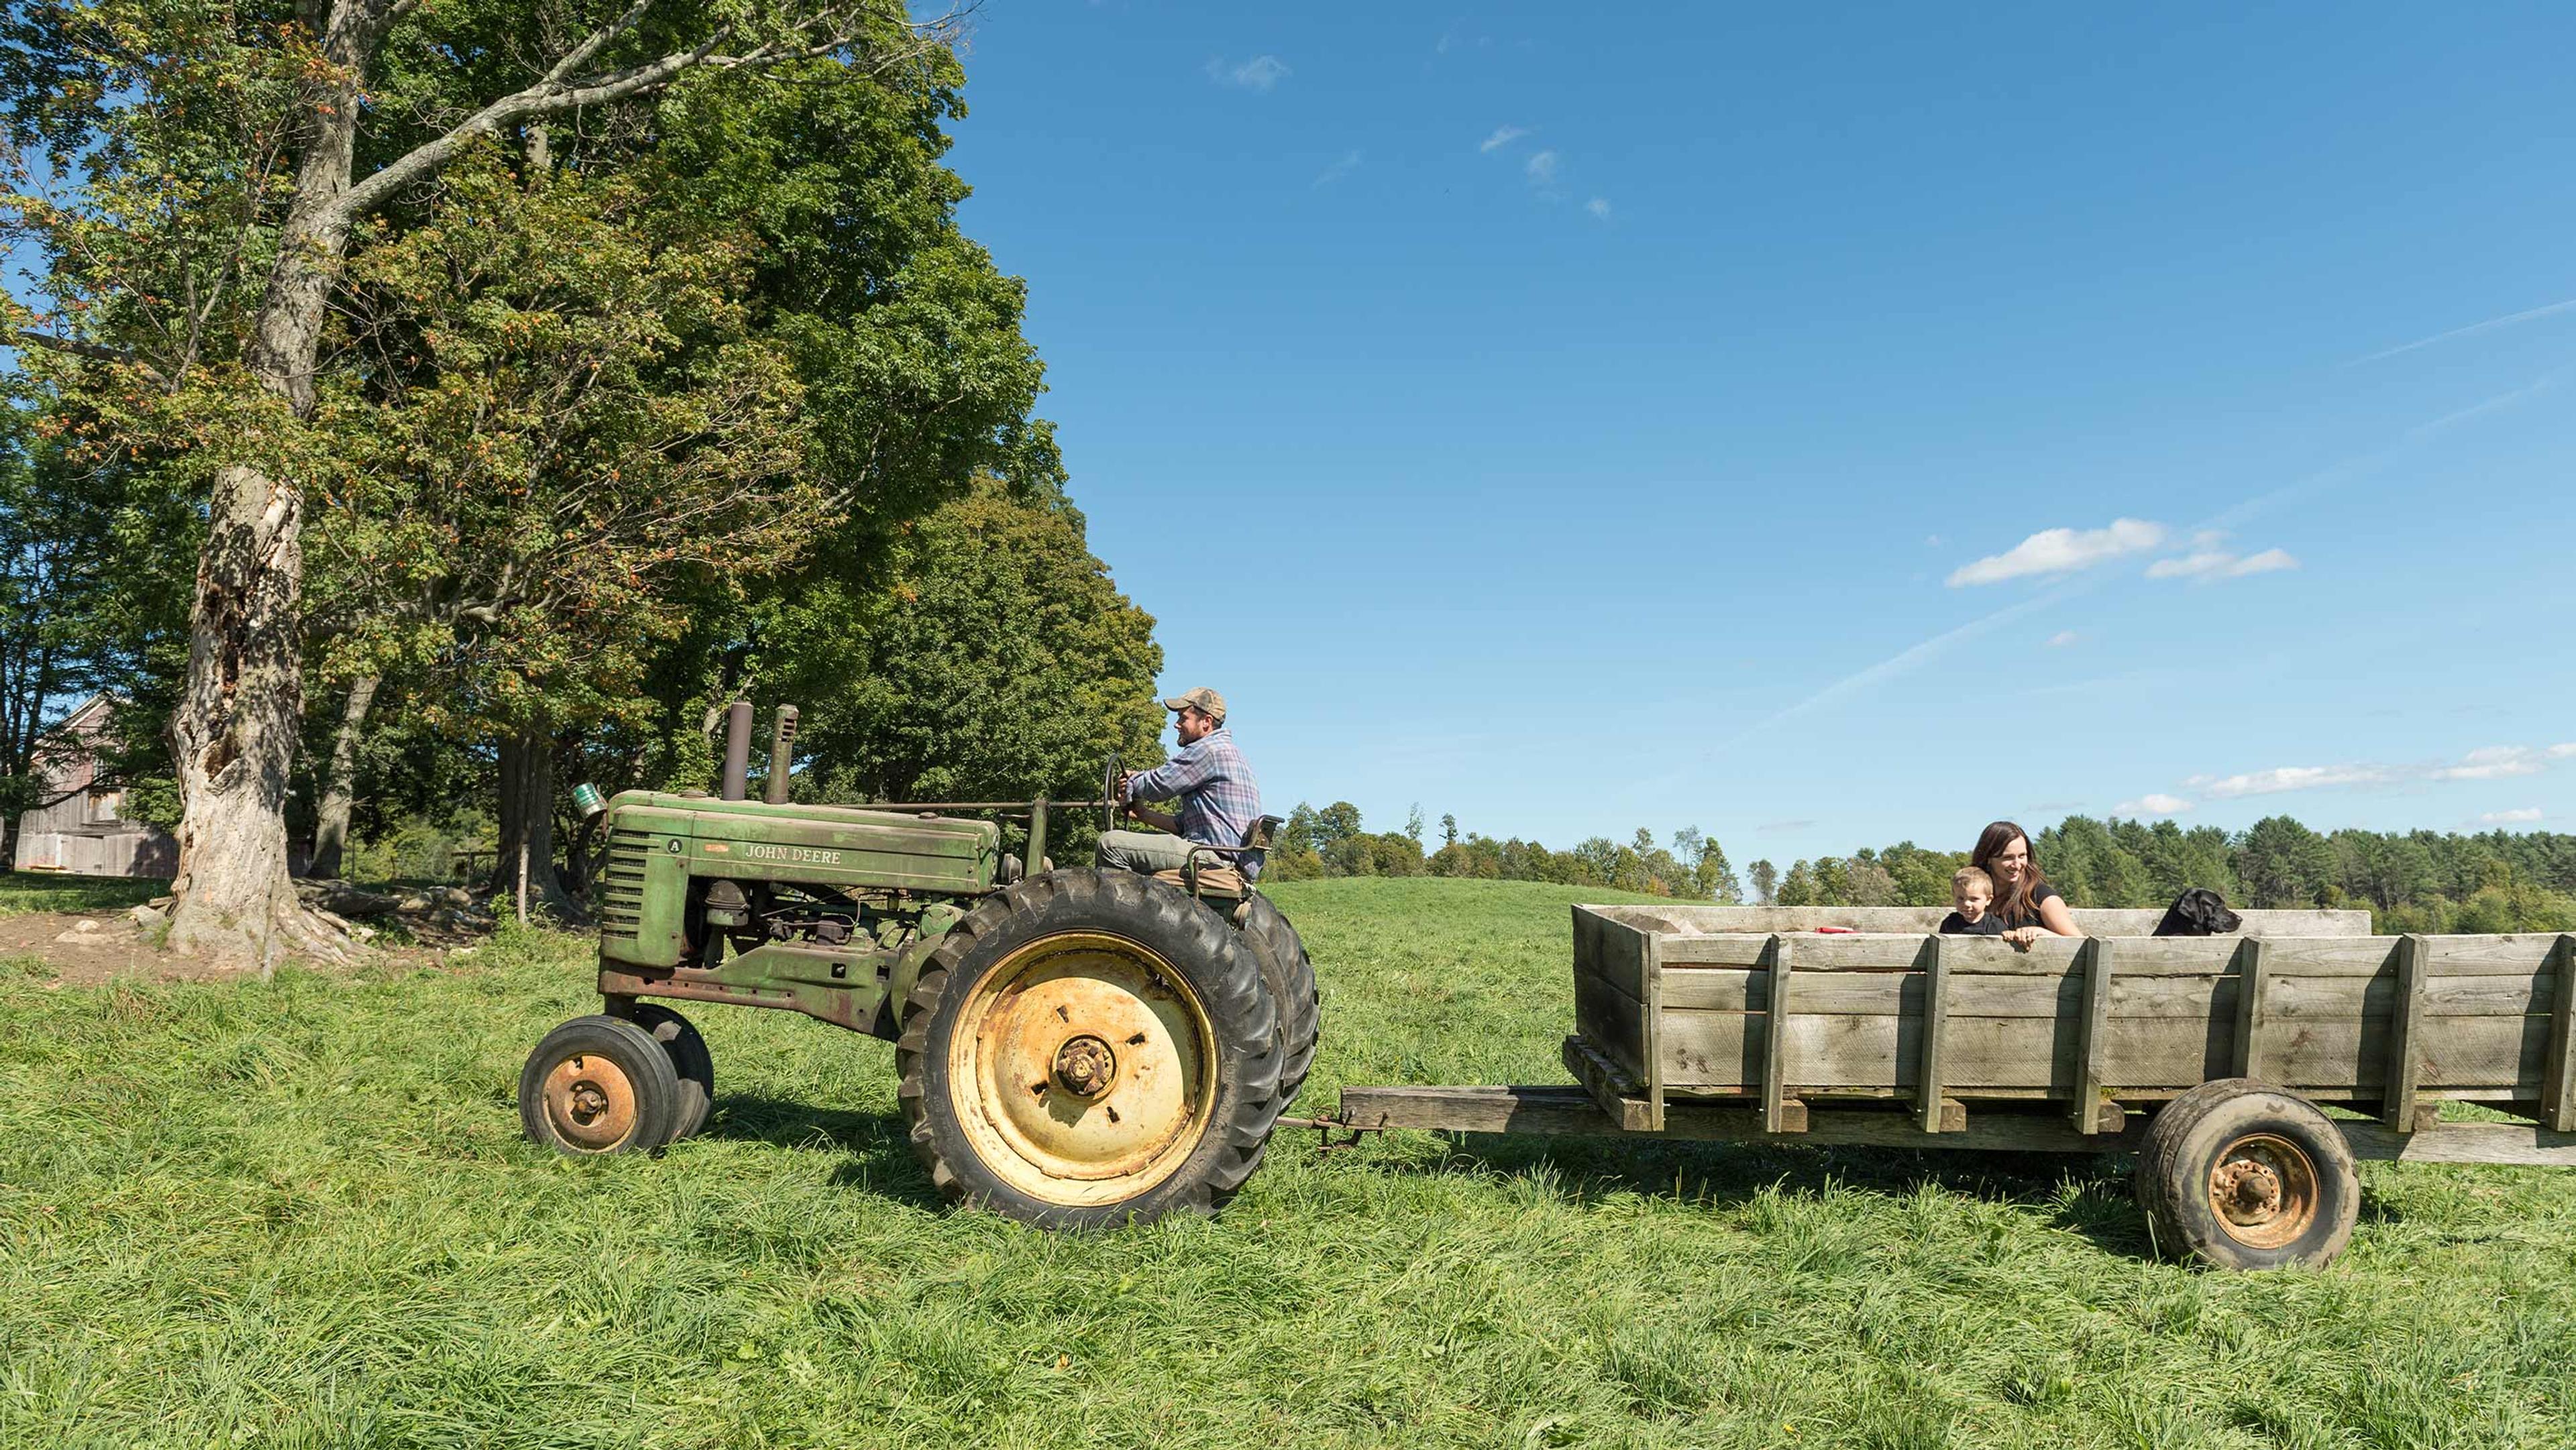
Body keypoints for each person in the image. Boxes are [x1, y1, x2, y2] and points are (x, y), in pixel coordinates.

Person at [1096, 687, 1264, 881]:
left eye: (1183, 718)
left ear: (1206, 722)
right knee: (1130, 840)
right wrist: (1143, 814)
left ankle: (1121, 911)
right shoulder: (1231, 753)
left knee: (1110, 844)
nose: (1176, 724)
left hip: (1215, 858)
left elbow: (1158, 785)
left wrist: (1131, 781)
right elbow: (1183, 825)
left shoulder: (1208, 750)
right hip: (1226, 854)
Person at [1971, 820, 2081, 940]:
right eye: (2008, 857)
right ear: (1988, 858)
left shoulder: (2042, 898)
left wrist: (2042, 933)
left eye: (2022, 856)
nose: (2017, 865)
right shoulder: (1973, 894)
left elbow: (2080, 944)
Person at [1939, 866, 2006, 936]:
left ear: (1988, 900)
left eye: (1974, 899)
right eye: (1961, 898)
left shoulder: (1995, 926)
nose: (1966, 904)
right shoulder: (1950, 923)